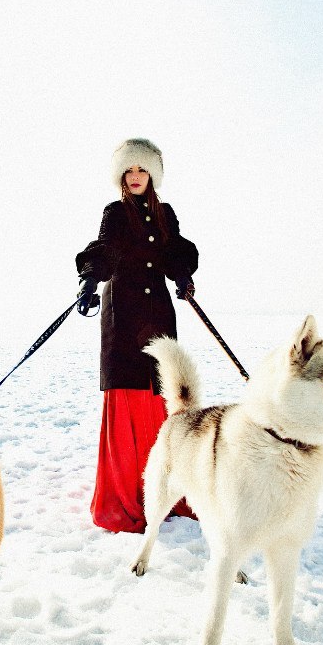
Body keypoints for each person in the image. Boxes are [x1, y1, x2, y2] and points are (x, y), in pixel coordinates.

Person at [75, 138, 199, 533]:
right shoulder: (115, 213)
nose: (135, 176)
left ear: (152, 175)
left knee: (162, 396)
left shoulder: (165, 214)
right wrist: (89, 282)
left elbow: (173, 252)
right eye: (129, 170)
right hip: (123, 316)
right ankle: (126, 496)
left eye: (142, 169)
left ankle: (168, 491)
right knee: (129, 395)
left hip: (158, 313)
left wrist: (183, 277)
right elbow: (105, 250)